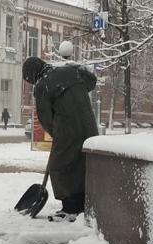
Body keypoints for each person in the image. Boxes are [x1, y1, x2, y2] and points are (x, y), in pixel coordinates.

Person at [22, 56, 98, 222]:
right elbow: (91, 80)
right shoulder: (71, 71)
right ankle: (82, 203)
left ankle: (70, 207)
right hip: (89, 125)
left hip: (67, 129)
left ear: (33, 74)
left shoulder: (43, 84)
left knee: (59, 167)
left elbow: (45, 117)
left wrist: (57, 134)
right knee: (81, 164)